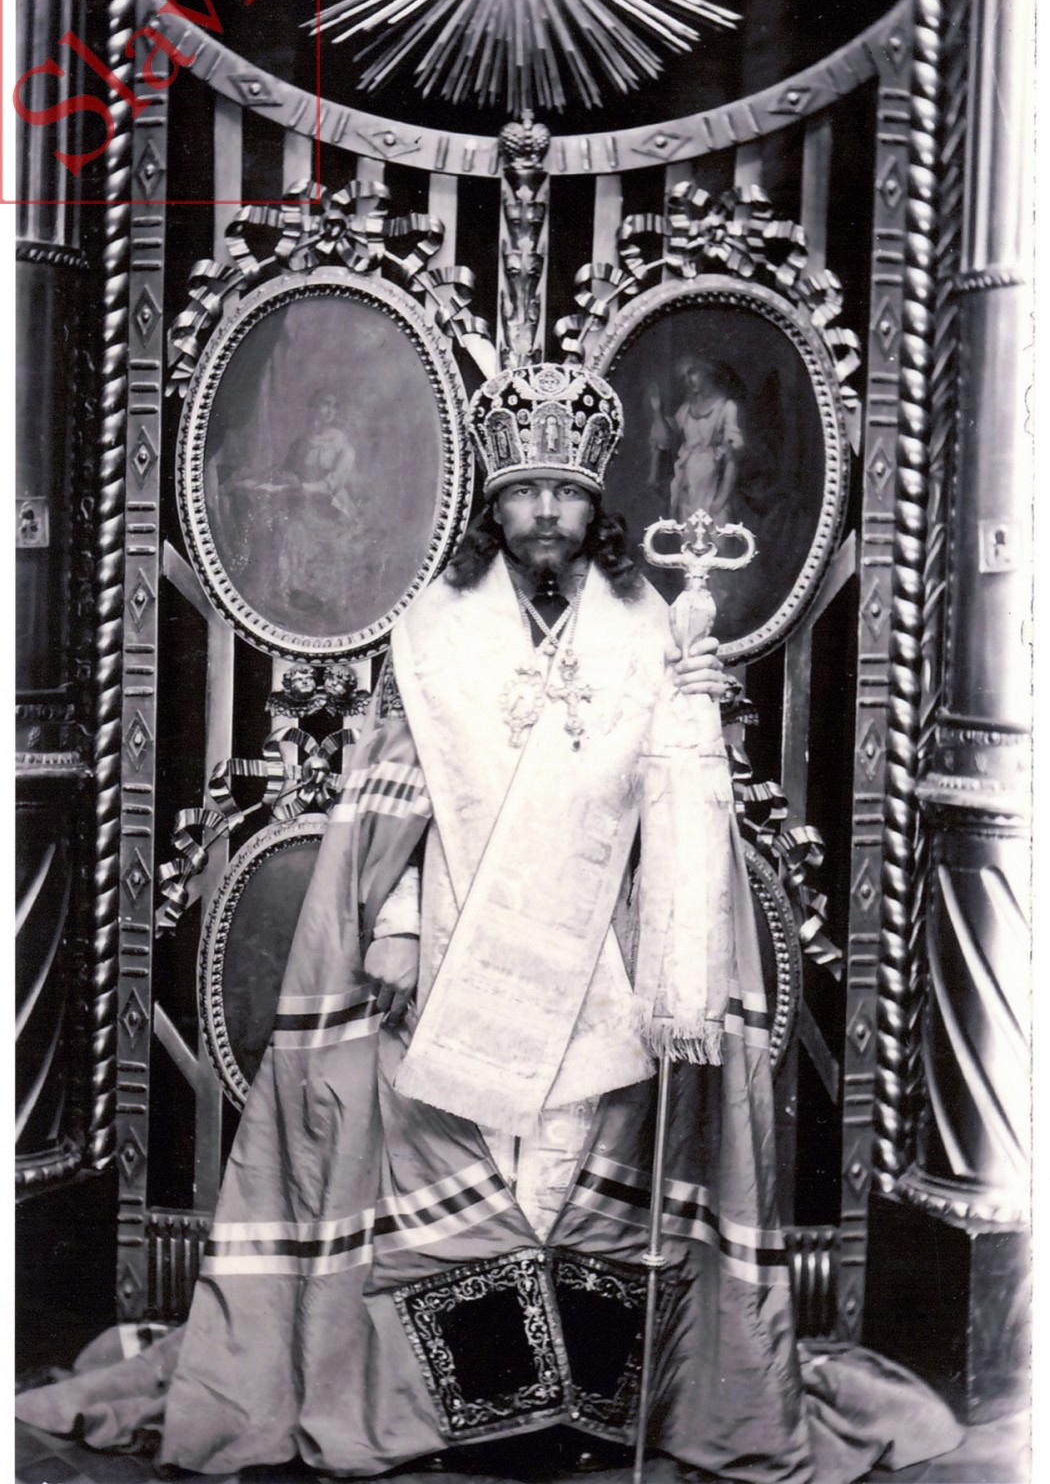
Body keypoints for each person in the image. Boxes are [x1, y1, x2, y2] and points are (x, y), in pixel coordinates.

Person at [17, 364, 962, 1484]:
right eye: (527, 494)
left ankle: (592, 1408)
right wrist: (397, 924)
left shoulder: (652, 624)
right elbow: (392, 799)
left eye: (566, 493)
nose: (547, 512)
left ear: (595, 505)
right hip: (457, 938)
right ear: (495, 505)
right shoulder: (436, 630)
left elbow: (681, 802)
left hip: (605, 950)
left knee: (587, 1171)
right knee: (464, 1169)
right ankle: (481, 1411)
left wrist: (697, 711)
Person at [647, 356, 745, 525]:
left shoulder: (726, 407)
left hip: (713, 493)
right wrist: (657, 410)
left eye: (692, 373)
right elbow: (666, 441)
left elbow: (732, 459)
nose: (688, 381)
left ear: (706, 371)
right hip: (687, 494)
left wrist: (721, 500)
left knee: (718, 537)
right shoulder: (686, 410)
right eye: (683, 378)